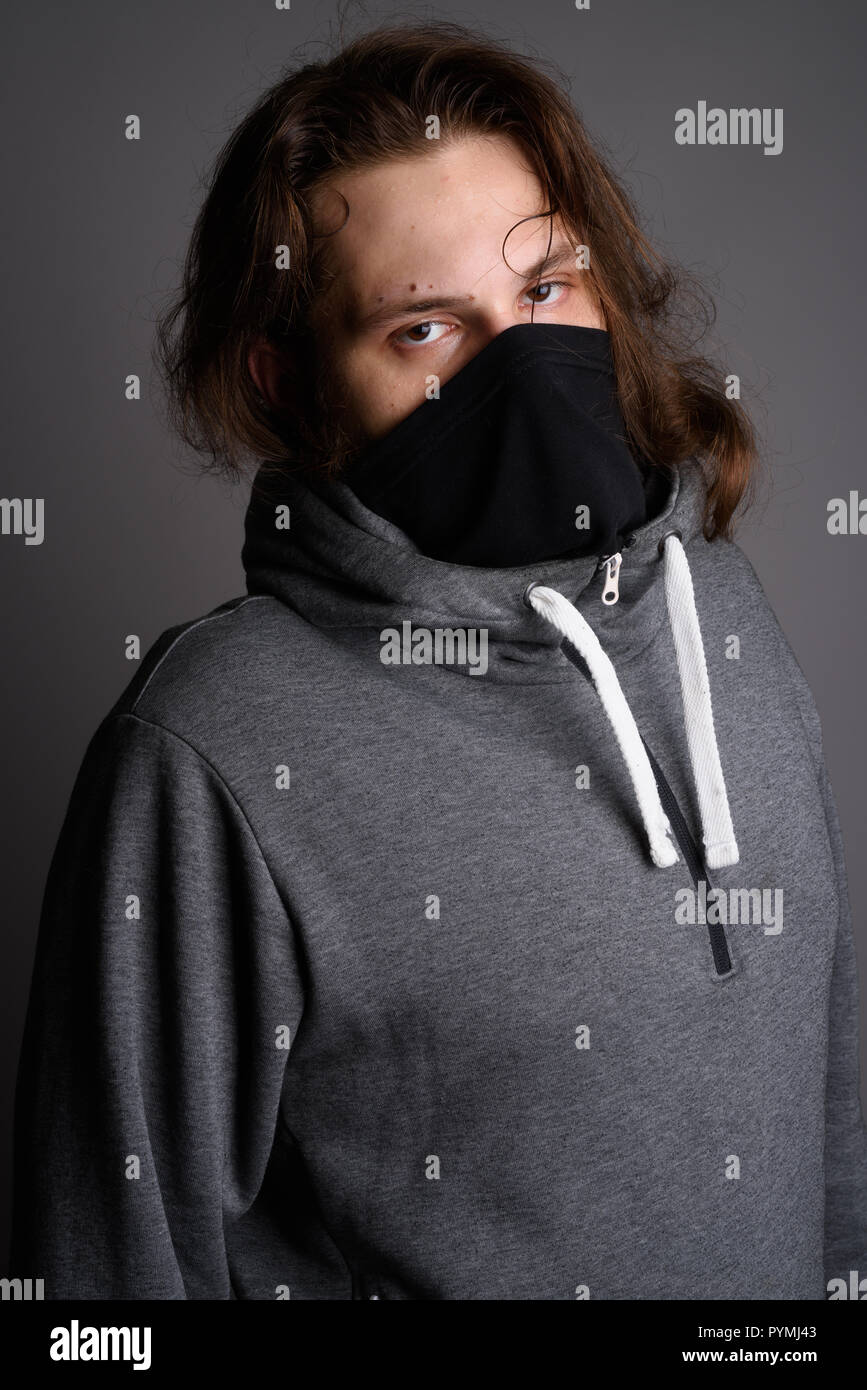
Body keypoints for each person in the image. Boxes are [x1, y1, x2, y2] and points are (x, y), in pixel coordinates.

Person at [11, 20, 867, 1301]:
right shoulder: (211, 750)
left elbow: (829, 1134)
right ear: (291, 383)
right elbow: (101, 1295)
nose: (521, 362)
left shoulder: (725, 618)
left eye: (543, 291)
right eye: (424, 330)